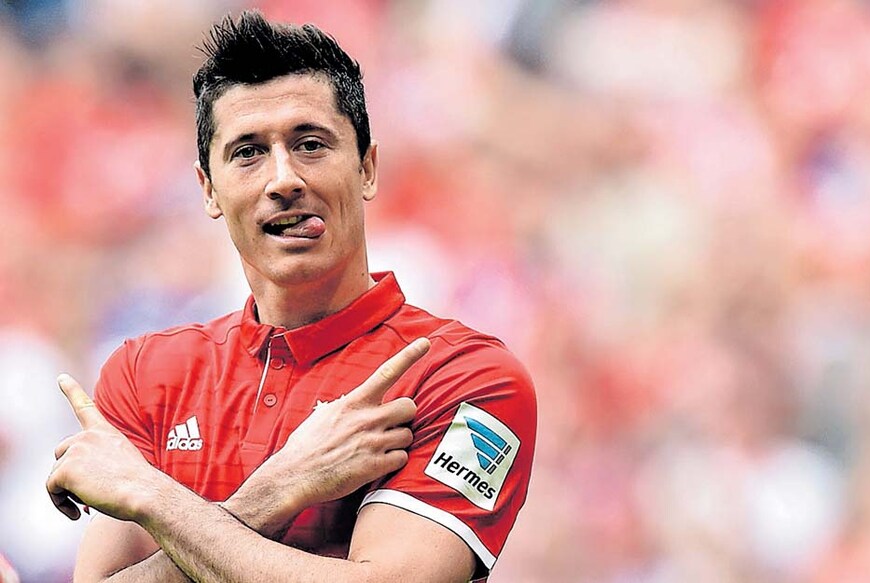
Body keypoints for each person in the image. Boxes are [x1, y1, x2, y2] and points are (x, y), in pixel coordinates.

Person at [45, 11, 536, 583]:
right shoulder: (145, 374)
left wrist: (153, 498)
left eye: (309, 144)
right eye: (248, 152)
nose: (283, 179)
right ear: (208, 188)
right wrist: (276, 492)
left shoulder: (463, 375)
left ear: (368, 169)